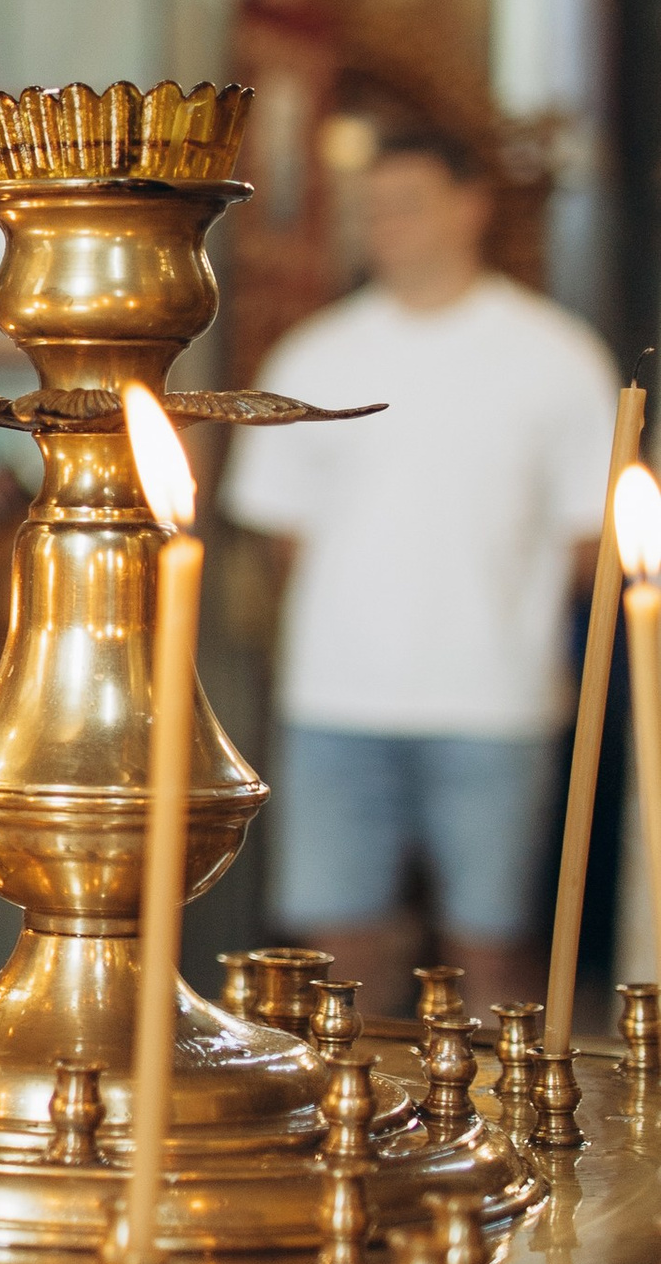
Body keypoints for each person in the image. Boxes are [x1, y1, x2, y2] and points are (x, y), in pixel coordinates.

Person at [220, 123, 619, 1018]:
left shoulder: (553, 354)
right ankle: (356, 1137)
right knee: (335, 949)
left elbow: (591, 536)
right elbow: (282, 534)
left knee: (493, 947)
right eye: (370, 210)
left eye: (408, 204)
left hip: (496, 698)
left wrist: (497, 618)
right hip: (338, 698)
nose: (385, 225)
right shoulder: (315, 356)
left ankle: (496, 1140)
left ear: (470, 207)